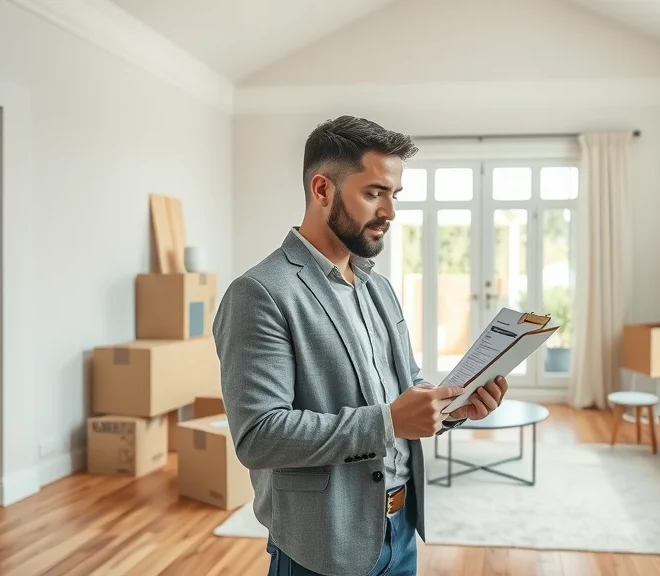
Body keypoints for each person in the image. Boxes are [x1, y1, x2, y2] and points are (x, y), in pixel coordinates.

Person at [212, 115, 508, 576]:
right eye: (374, 193)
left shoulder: (378, 287)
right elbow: (259, 437)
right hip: (322, 548)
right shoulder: (260, 293)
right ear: (322, 189)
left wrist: (453, 407)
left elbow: (407, 384)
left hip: (400, 530)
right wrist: (388, 421)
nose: (390, 211)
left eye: (394, 195)